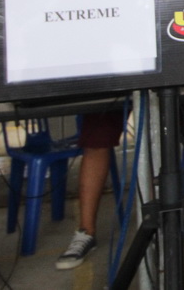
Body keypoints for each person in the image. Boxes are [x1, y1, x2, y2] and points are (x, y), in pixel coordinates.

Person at [55, 109, 125, 270]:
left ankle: (165, 224)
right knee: (96, 141)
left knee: (165, 132)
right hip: (111, 95)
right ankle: (86, 232)